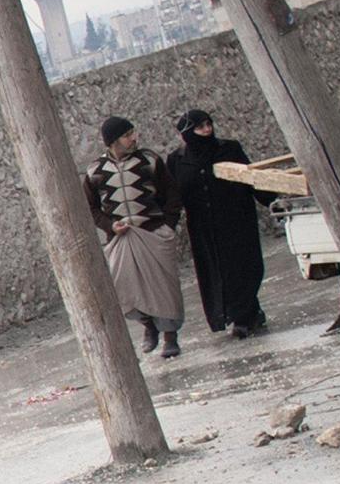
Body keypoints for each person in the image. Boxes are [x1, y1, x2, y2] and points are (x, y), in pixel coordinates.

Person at [87, 118, 186, 358]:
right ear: (112, 141)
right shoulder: (95, 171)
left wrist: (167, 226)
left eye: (133, 133)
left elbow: (172, 195)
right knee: (124, 289)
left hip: (153, 233)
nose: (133, 138)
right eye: (127, 135)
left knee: (164, 287)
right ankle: (148, 325)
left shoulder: (149, 161)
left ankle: (170, 337)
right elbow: (91, 209)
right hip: (121, 239)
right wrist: (110, 225)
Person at [168, 109, 267, 339]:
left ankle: (245, 315)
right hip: (204, 228)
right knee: (216, 272)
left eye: (208, 124)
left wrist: (270, 197)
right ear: (187, 133)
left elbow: (249, 176)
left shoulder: (229, 148)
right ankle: (238, 314)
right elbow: (174, 195)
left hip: (236, 219)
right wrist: (166, 223)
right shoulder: (177, 160)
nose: (207, 130)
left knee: (243, 267)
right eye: (200, 127)